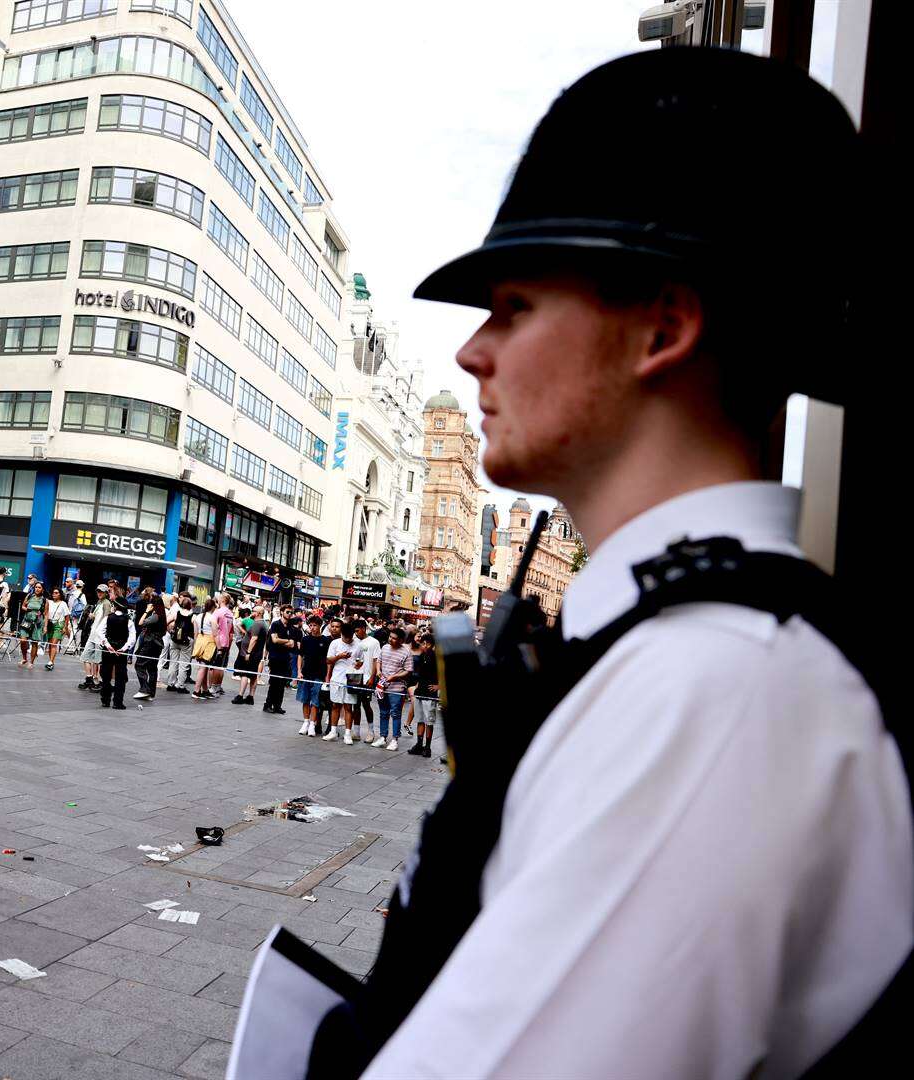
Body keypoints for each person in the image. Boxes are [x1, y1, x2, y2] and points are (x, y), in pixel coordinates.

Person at [340, 48, 913, 1078]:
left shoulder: (710, 687)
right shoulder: (673, 653)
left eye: (513, 305)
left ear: (662, 327)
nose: (473, 350)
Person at [96, 586, 135, 710]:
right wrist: (124, 648)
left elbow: (99, 632)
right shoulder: (129, 621)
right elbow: (132, 638)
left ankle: (105, 700)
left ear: (115, 606)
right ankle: (118, 702)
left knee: (106, 675)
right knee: (120, 676)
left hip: (108, 650)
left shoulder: (108, 618)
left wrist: (107, 644)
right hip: (121, 651)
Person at [323, 620, 358, 745]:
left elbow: (362, 662)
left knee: (349, 706)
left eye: (349, 638)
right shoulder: (335, 643)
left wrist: (359, 664)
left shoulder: (358, 644)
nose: (347, 640)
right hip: (337, 678)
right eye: (345, 637)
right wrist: (340, 656)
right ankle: (333, 731)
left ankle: (347, 733)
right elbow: (328, 660)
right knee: (335, 705)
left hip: (352, 679)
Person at [406, 630, 439, 759]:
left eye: (427, 644)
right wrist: (417, 685)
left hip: (430, 692)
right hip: (420, 691)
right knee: (420, 719)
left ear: (431, 645)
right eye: (423, 643)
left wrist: (439, 686)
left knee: (429, 721)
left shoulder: (437, 657)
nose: (424, 646)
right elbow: (419, 674)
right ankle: (419, 744)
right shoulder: (421, 657)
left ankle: (428, 747)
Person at [294, 615, 328, 735]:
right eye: (311, 625)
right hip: (306, 673)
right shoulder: (306, 639)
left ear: (319, 626)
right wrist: (299, 671)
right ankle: (306, 722)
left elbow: (327, 660)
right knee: (305, 699)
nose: (312, 628)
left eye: (315, 625)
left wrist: (326, 677)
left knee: (315, 701)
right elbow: (300, 655)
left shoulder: (325, 640)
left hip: (319, 674)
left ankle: (313, 724)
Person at [262, 609, 299, 714]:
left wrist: (281, 641)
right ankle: (268, 704)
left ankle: (278, 705)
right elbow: (274, 640)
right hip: (274, 657)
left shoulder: (291, 627)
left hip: (285, 658)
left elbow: (292, 644)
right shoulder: (276, 624)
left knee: (282, 683)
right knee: (274, 682)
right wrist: (286, 641)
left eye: (291, 612)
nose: (289, 614)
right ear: (282, 612)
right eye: (287, 612)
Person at [131, 587, 165, 702]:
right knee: (152, 668)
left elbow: (140, 622)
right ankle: (151, 693)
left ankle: (144, 690)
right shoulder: (161, 615)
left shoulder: (155, 616)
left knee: (139, 664)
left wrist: (146, 611)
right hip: (158, 643)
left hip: (150, 642)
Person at [350, 618, 380, 743]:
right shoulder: (354, 641)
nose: (356, 633)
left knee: (366, 705)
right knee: (355, 705)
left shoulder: (374, 642)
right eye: (354, 631)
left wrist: (372, 677)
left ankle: (371, 731)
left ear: (363, 628)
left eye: (357, 630)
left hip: (367, 678)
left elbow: (375, 660)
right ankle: (356, 731)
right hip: (354, 676)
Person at [77, 583, 109, 691]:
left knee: (97, 660)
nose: (99, 593)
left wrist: (102, 636)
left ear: (106, 593)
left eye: (101, 591)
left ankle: (96, 681)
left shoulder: (106, 603)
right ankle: (89, 678)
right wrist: (93, 617)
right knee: (85, 657)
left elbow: (106, 620)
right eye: (98, 591)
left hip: (99, 637)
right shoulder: (99, 603)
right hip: (92, 634)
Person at [163, 592, 194, 694]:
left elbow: (166, 622)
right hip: (186, 641)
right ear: (190, 605)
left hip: (175, 640)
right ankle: (180, 685)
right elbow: (196, 632)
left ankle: (170, 684)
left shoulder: (177, 613)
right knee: (183, 664)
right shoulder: (193, 616)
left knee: (173, 662)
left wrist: (169, 631)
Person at [231, 617, 265, 706]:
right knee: (253, 675)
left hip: (251, 654)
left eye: (254, 611)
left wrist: (248, 652)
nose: (252, 612)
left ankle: (240, 695)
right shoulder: (262, 624)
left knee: (244, 674)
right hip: (256, 654)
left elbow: (254, 638)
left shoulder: (257, 624)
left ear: (258, 613)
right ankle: (250, 697)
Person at [15, 582, 45, 667]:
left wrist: (45, 626)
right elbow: (23, 606)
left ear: (42, 589)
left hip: (37, 623)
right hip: (26, 621)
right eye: (36, 587)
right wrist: (27, 609)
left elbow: (46, 614)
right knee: (23, 640)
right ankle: (24, 658)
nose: (37, 589)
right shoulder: (29, 596)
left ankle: (31, 662)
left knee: (34, 643)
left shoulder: (44, 600)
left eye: (39, 587)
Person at [41, 586, 70, 671]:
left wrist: (65, 627)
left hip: (59, 624)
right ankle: (51, 662)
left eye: (56, 593)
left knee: (54, 644)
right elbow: (45, 613)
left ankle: (50, 662)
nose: (54, 594)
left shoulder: (63, 603)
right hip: (50, 624)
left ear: (60, 594)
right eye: (53, 593)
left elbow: (67, 616)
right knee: (50, 644)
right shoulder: (48, 602)